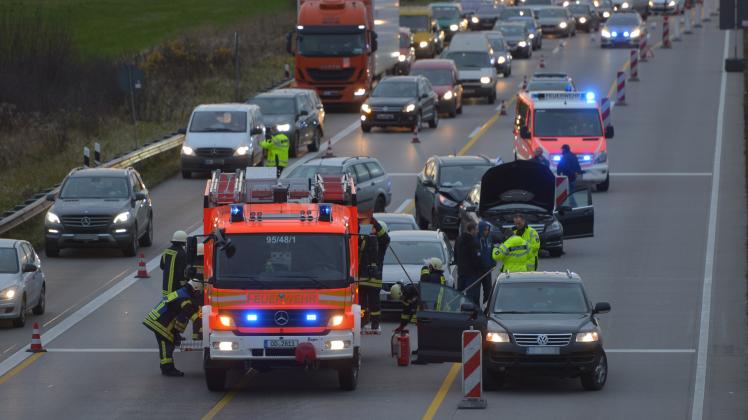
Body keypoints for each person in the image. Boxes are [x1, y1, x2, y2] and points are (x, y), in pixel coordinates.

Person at [143, 279, 202, 377]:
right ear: (195, 290)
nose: (198, 295)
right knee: (166, 345)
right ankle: (167, 369)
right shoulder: (185, 299)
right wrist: (197, 337)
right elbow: (194, 317)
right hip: (160, 322)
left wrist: (176, 334)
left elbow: (180, 316)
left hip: (158, 319)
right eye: (198, 293)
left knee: (168, 343)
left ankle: (167, 367)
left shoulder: (181, 292)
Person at [455, 222, 483, 305]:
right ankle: (469, 311)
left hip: (461, 272)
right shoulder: (474, 243)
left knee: (459, 294)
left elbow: (455, 254)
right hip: (471, 274)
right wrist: (479, 268)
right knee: (470, 295)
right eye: (476, 230)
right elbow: (477, 259)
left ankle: (456, 309)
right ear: (472, 230)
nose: (477, 231)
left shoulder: (458, 240)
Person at [161, 230, 188, 298]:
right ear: (183, 242)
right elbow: (181, 272)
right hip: (176, 289)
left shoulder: (166, 251)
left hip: (165, 288)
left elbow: (162, 266)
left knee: (168, 306)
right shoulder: (182, 254)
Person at [477, 221, 495, 305]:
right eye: (485, 230)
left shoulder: (489, 238)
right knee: (475, 293)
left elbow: (492, 250)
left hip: (487, 269)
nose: (487, 231)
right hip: (477, 269)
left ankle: (486, 307)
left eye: (488, 230)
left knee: (488, 291)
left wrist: (493, 262)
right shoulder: (476, 239)